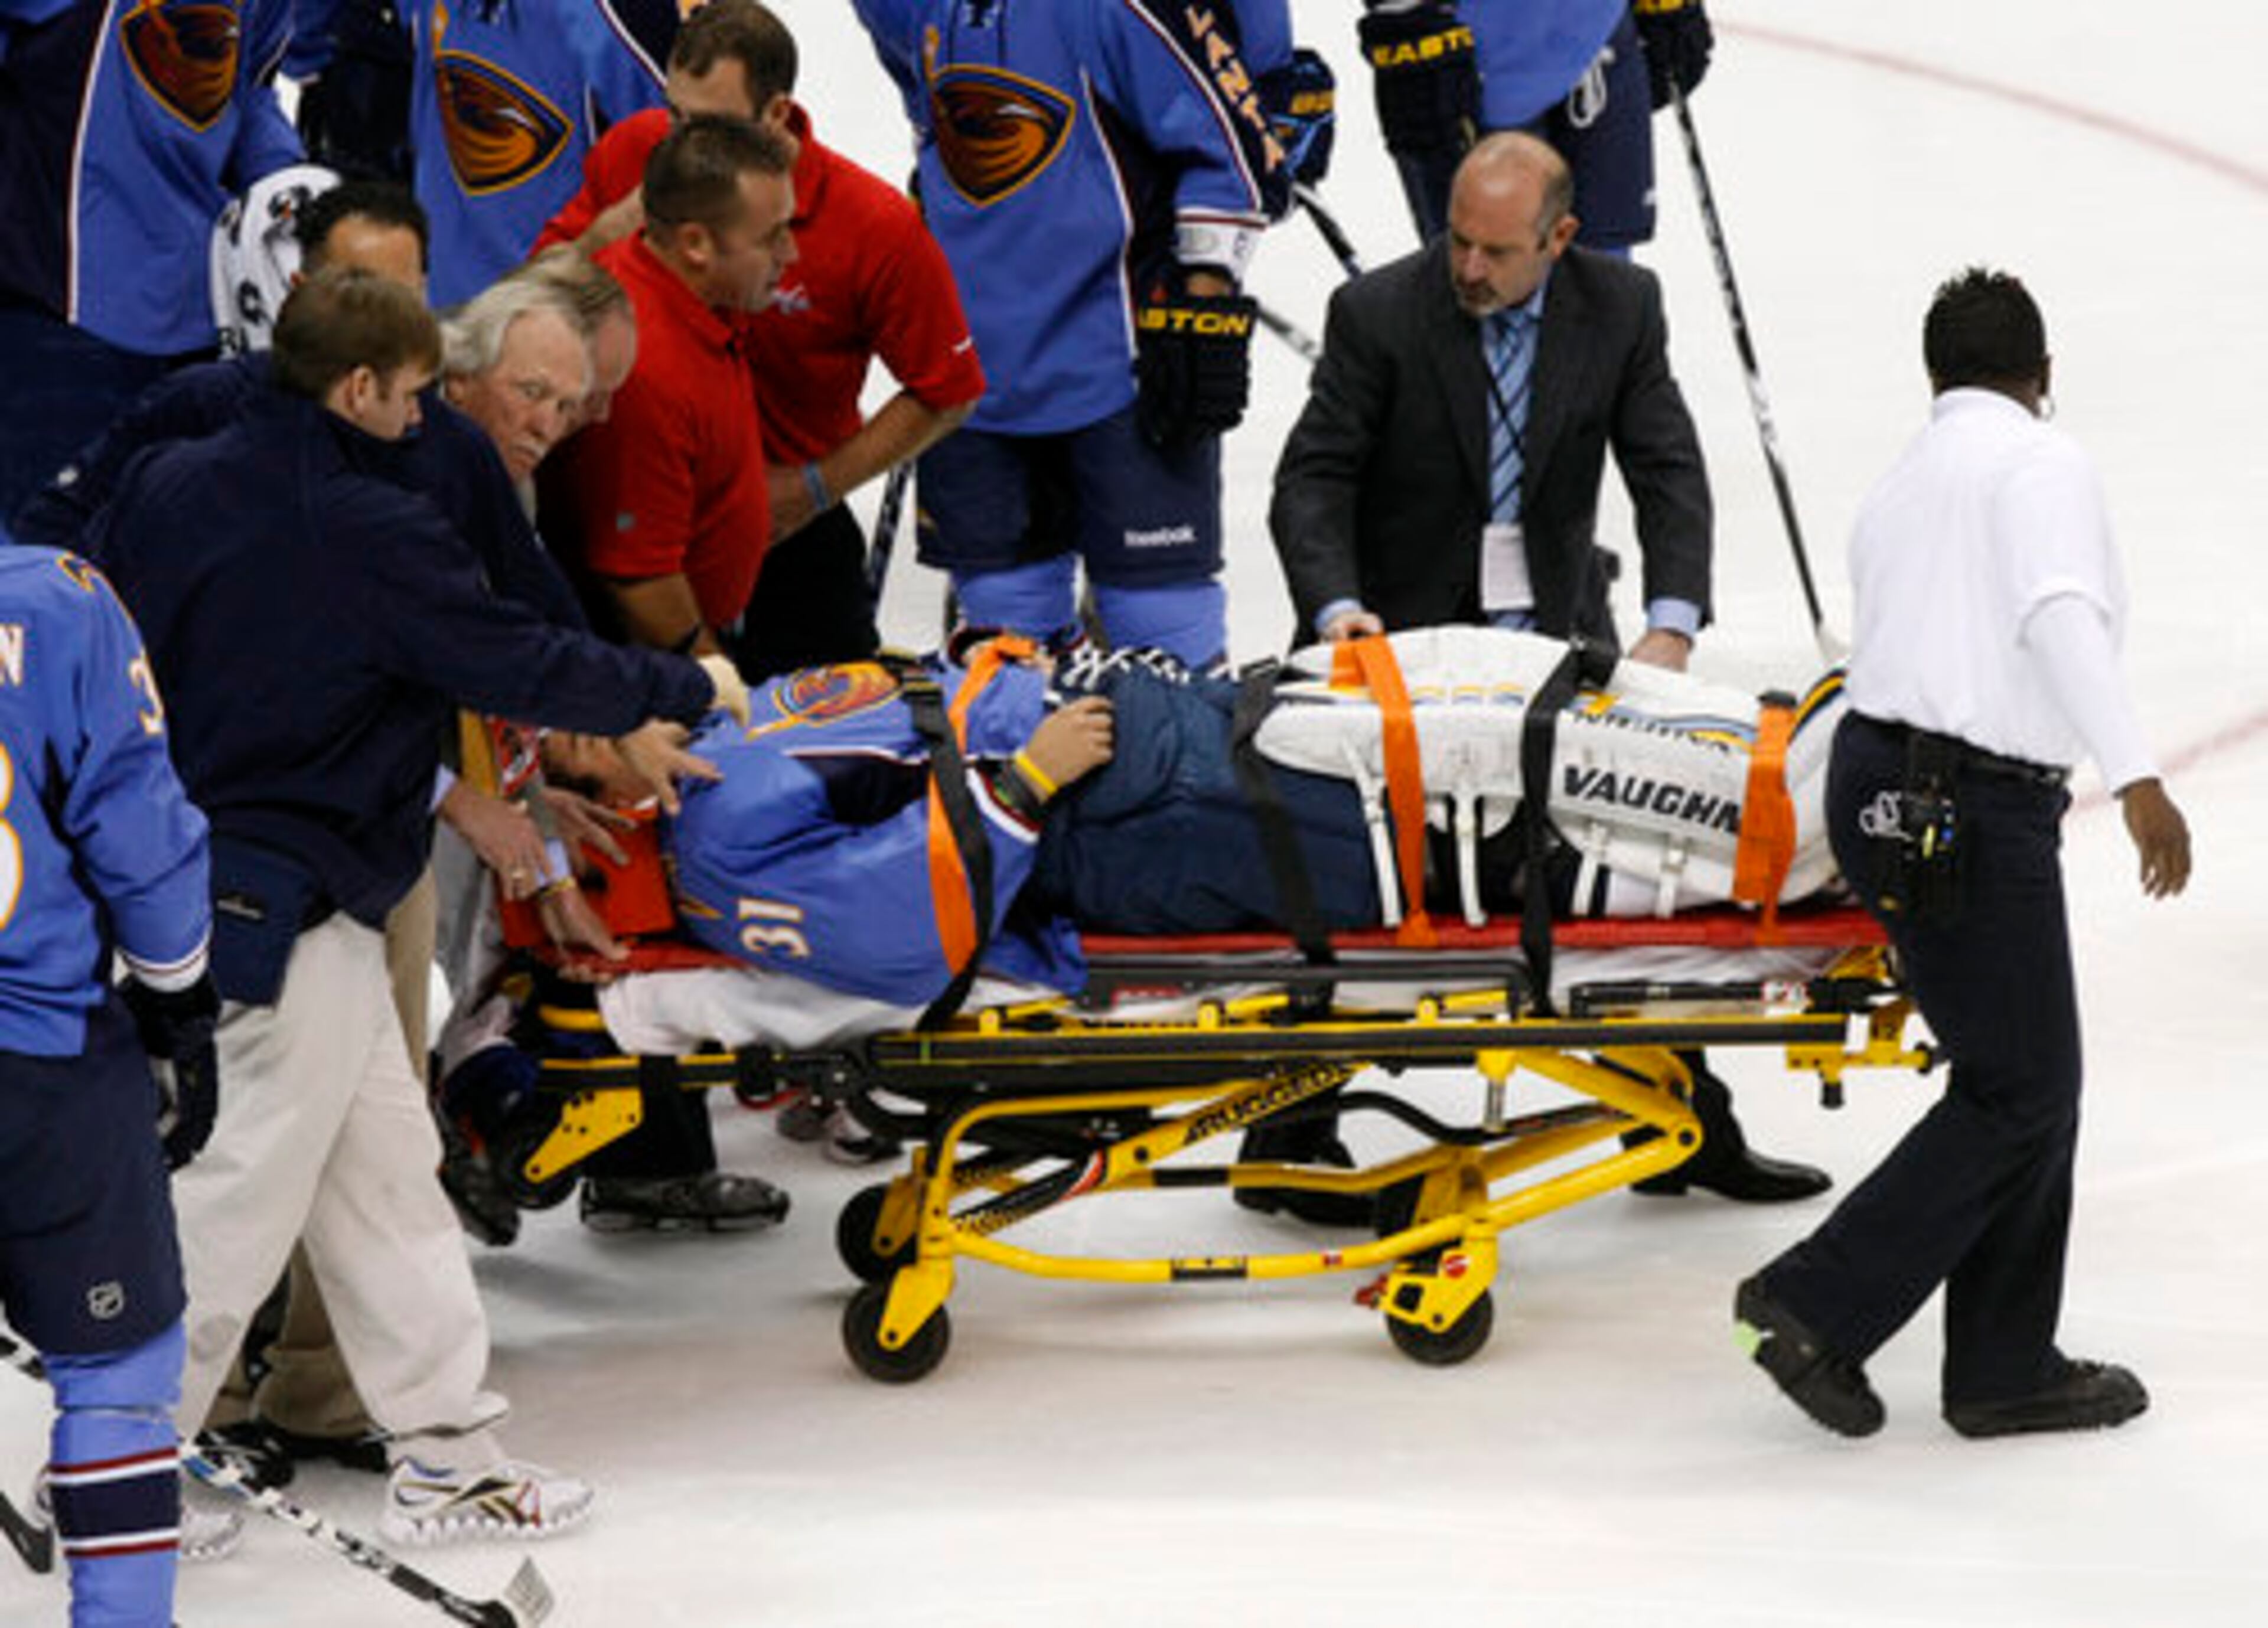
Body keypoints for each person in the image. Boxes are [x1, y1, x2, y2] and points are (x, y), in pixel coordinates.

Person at [84, 269, 747, 1546]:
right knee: (234, 1190)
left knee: (388, 1181)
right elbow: (518, 655)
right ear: (358, 385)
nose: (426, 418)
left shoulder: (174, 483)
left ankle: (448, 1448)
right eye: (412, 396)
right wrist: (690, 683)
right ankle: (111, 1459)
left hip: (198, 873)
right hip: (292, 894)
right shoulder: (361, 523)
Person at [1269, 130, 1818, 1206]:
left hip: (1559, 640)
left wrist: (1670, 622)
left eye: (1496, 251)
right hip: (1409, 650)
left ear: (1560, 237)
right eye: (1457, 242)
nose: (1468, 268)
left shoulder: (1621, 306)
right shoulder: (1379, 312)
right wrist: (1339, 611)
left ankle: (1688, 1126)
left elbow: (1667, 464)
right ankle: (1290, 1130)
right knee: (1377, 888)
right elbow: (1312, 480)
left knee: (1622, 875)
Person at [1733, 269, 2191, 1441]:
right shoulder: (2041, 461)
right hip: (1967, 802)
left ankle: (2003, 1363)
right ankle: (1813, 1299)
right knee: (2025, 1084)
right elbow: (2056, 612)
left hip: (1877, 783)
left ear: (1935, 376)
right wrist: (2137, 777)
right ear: (2042, 378)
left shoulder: (1901, 484)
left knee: (2024, 1076)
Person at [532, 0, 986, 677]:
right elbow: (528, 300)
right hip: (624, 509)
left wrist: (812, 488)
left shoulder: (872, 225)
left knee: (834, 745)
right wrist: (605, 235)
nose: (680, 146)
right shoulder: (638, 152)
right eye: (674, 116)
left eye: (708, 126)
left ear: (775, 116)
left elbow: (949, 391)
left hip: (788, 530)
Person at [851, 0, 1283, 671]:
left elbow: (1239, 148)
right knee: (1003, 646)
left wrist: (1207, 297)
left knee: (1164, 643)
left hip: (1122, 366)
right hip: (974, 376)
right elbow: (925, 101)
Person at [0, 523, 218, 1622]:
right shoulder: (56, 598)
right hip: (46, 1056)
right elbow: (138, 824)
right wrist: (178, 994)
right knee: (119, 1366)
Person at [0, 0, 302, 523]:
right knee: (40, 560)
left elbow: (250, 93)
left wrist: (292, 184)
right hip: (57, 303)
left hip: (205, 314)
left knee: (177, 557)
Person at [541, 115, 797, 657]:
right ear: (696, 243)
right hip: (652, 660)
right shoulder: (642, 370)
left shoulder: (698, 291)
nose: (790, 254)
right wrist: (714, 683)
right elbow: (639, 582)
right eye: (772, 236)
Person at [1358, 0, 1713, 252]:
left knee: (1606, 291)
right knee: (1492, 293)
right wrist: (1403, 15)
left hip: (1599, 37)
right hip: (1478, 51)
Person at [405, 0, 677, 305]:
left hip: (566, 317)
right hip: (449, 311)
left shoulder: (610, 16)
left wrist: (579, 256)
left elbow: (692, 160)